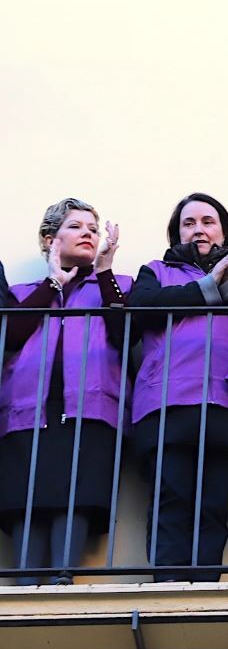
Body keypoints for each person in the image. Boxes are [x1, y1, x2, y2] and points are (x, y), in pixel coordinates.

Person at [0, 198, 133, 584]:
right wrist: (53, 283)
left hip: (91, 408)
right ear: (49, 239)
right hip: (26, 409)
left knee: (75, 495)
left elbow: (126, 333)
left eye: (93, 227)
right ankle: (27, 585)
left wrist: (105, 272)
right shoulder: (23, 291)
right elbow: (11, 336)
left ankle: (62, 577)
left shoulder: (117, 286)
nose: (89, 233)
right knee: (28, 499)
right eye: (76, 226)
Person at [128, 193, 228, 582]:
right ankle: (167, 587)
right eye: (188, 223)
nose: (198, 229)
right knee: (171, 496)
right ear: (176, 234)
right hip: (165, 401)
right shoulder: (155, 271)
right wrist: (208, 284)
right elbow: (142, 309)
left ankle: (203, 588)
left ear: (224, 232)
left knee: (214, 504)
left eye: (207, 221)